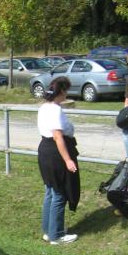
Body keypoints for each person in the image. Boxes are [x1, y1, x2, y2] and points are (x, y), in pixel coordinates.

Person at [37, 76, 80, 244]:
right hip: (55, 153)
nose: (66, 94)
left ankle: (49, 231)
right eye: (66, 90)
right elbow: (57, 136)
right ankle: (57, 235)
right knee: (60, 193)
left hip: (45, 150)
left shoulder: (44, 107)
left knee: (50, 191)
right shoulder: (55, 110)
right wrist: (68, 160)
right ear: (61, 91)